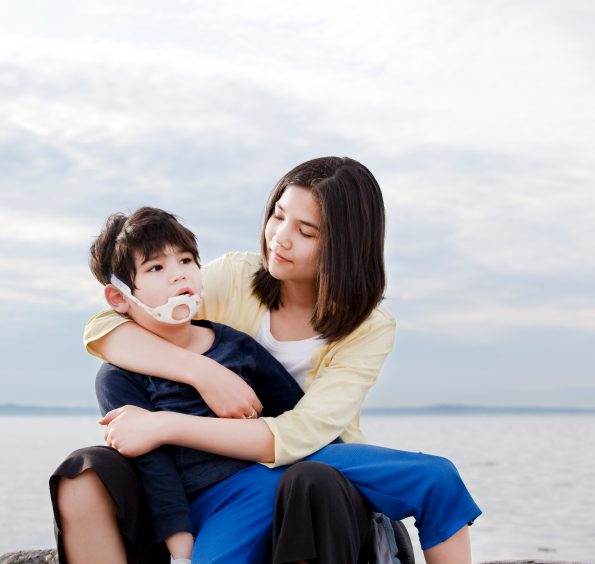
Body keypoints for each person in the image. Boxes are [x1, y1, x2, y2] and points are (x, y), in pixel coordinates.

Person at [53, 157, 481, 563]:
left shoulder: (370, 327)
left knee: (433, 478)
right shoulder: (234, 277)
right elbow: (103, 329)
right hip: (225, 481)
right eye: (278, 215)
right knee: (89, 466)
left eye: (306, 231)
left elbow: (301, 433)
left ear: (344, 245)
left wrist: (165, 425)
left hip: (313, 466)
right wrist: (203, 373)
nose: (280, 238)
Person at [83, 206, 315, 562]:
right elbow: (154, 470)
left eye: (187, 261)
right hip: (209, 506)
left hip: (272, 482)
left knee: (418, 477)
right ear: (119, 297)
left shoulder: (236, 345)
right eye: (156, 268)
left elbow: (299, 417)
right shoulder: (118, 377)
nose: (178, 277)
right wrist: (182, 552)